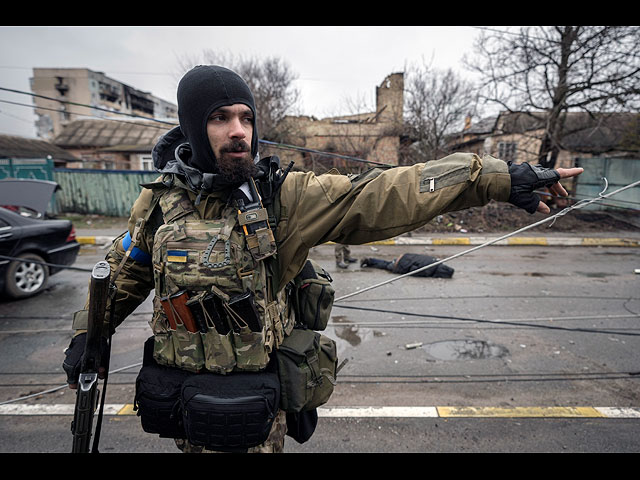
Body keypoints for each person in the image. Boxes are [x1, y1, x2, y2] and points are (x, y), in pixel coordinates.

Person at [62, 65, 583, 453]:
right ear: (194, 128)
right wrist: (90, 331)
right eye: (220, 118)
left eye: (246, 117)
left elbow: (391, 191)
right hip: (185, 408)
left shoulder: (285, 198)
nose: (238, 130)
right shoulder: (157, 202)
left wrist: (497, 178)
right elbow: (121, 272)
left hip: (256, 412)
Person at [360, 253, 454, 278]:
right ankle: (369, 262)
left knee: (388, 263)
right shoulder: (428, 271)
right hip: (402, 264)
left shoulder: (435, 261)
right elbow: (413, 270)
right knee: (386, 265)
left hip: (406, 256)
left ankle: (370, 261)